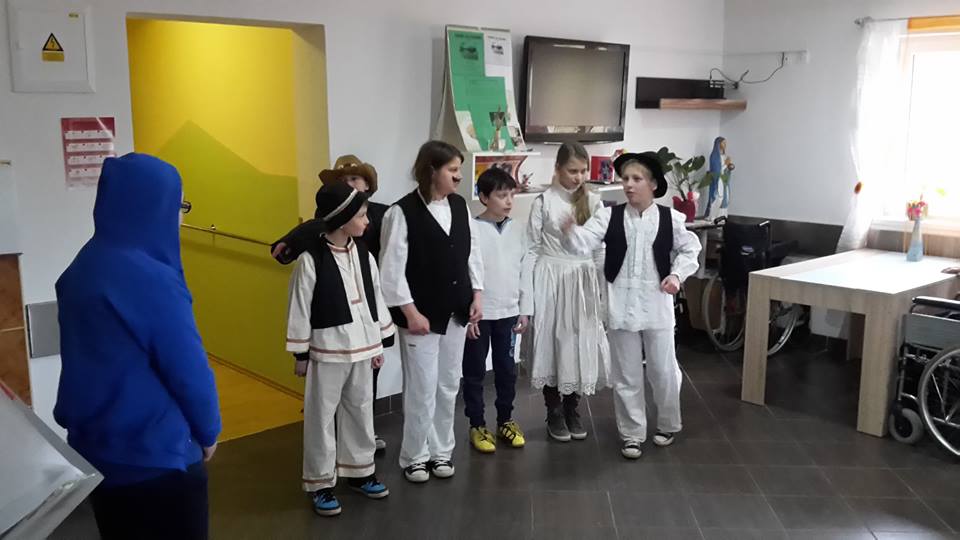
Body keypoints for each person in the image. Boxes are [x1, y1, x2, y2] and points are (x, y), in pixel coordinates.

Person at [55, 153, 221, 540]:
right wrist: (209, 432)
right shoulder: (149, 277)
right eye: (179, 205)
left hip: (99, 451)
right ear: (153, 203)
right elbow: (188, 370)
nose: (181, 218)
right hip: (156, 457)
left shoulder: (84, 265)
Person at [561, 152, 701, 459]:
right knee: (626, 374)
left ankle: (667, 423)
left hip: (657, 303)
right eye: (625, 179)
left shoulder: (670, 218)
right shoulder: (609, 216)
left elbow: (691, 249)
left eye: (636, 179)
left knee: (663, 370)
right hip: (620, 303)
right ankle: (632, 433)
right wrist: (571, 230)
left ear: (653, 184)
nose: (629, 185)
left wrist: (677, 275)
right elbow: (584, 241)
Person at [285, 182, 395, 516]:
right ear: (342, 219)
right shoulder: (310, 260)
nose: (367, 222)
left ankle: (360, 471)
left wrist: (379, 342)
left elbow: (375, 298)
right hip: (327, 351)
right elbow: (300, 307)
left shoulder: (364, 254)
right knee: (320, 417)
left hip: (363, 349)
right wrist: (301, 354)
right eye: (361, 216)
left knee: (360, 410)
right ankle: (320, 483)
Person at [379, 140, 483, 482]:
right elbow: (391, 271)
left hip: (456, 312)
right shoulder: (401, 213)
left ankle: (441, 451)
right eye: (452, 170)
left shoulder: (460, 206)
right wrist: (410, 313)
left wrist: (477, 295)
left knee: (448, 384)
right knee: (421, 388)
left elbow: (472, 255)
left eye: (459, 169)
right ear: (431, 170)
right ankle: (414, 455)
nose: (459, 176)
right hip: (420, 316)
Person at [271, 154, 390, 451]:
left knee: (361, 401)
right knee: (323, 408)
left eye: (354, 179)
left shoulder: (381, 221)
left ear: (367, 183)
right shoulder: (314, 250)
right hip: (330, 339)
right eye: (343, 180)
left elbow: (376, 290)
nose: (348, 184)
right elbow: (299, 298)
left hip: (364, 335)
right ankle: (323, 467)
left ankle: (359, 460)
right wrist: (301, 353)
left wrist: (379, 341)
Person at [519, 142, 610, 442]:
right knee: (553, 341)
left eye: (583, 171)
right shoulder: (544, 202)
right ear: (557, 169)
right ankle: (554, 410)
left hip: (582, 278)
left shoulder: (594, 202)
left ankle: (573, 408)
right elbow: (531, 249)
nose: (579, 177)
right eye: (572, 171)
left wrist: (602, 288)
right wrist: (527, 298)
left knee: (579, 341)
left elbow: (599, 248)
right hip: (551, 277)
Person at [463, 167, 528, 453]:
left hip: (509, 312)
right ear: (484, 197)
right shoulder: (471, 228)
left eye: (511, 195)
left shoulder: (518, 228)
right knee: (474, 371)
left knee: (506, 370)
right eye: (502, 195)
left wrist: (525, 309)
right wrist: (468, 315)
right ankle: (477, 424)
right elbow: (467, 272)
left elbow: (525, 269)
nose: (509, 201)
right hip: (480, 314)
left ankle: (505, 420)